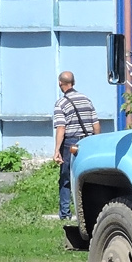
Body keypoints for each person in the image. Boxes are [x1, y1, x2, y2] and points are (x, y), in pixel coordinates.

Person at [53, 71, 100, 221]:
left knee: (66, 178)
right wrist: (96, 142)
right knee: (89, 177)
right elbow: (96, 124)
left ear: (60, 83)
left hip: (70, 143)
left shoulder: (61, 103)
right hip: (87, 141)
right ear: (73, 82)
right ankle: (90, 213)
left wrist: (56, 150)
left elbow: (61, 128)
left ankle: (66, 214)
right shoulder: (86, 99)